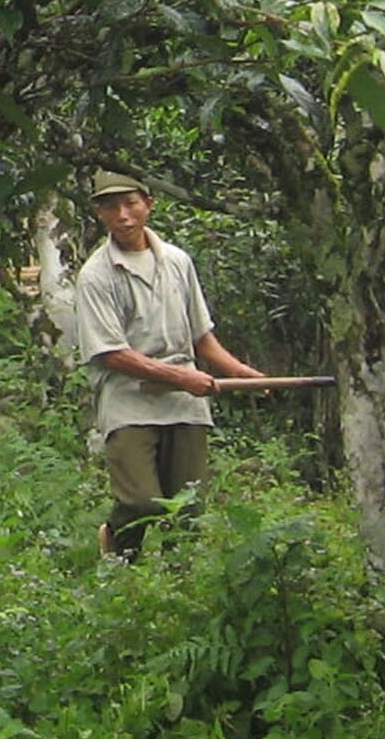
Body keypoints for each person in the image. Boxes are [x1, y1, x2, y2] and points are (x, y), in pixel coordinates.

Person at [71, 171, 267, 559]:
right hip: (129, 399)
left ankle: (184, 586)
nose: (123, 215)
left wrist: (242, 374)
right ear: (99, 213)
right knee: (142, 503)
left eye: (131, 204)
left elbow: (201, 337)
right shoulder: (95, 276)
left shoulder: (178, 262)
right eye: (111, 207)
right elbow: (111, 353)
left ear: (148, 204)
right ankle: (119, 552)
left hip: (185, 402)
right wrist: (180, 376)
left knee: (190, 508)